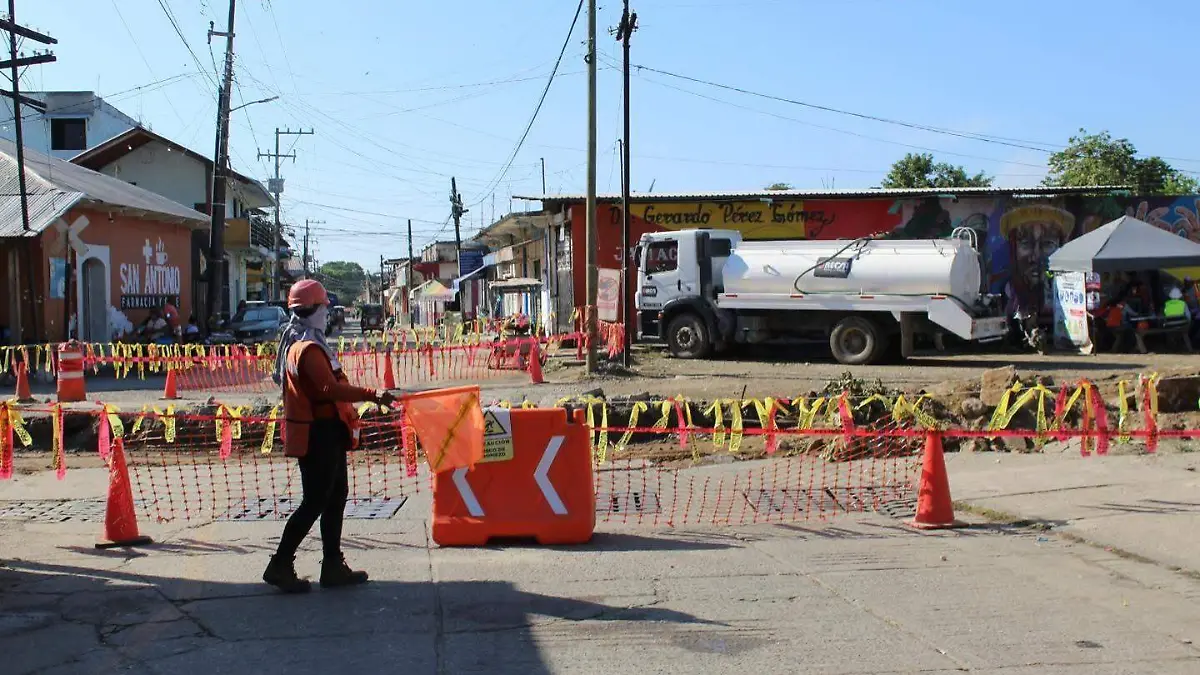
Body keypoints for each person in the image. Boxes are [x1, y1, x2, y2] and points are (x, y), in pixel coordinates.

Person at [264, 279, 396, 594]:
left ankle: (333, 565)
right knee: (314, 502)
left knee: (335, 496)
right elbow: (328, 388)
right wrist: (372, 394)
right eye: (324, 307)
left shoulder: (307, 342)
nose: (328, 314)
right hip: (318, 434)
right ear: (313, 310)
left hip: (327, 432)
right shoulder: (307, 348)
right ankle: (281, 563)